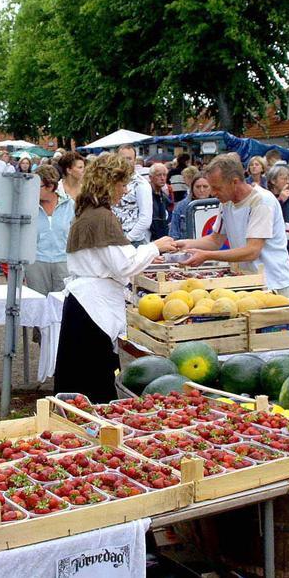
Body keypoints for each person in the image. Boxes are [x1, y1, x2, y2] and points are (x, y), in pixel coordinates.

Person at [54, 154, 176, 401]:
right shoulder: (101, 216)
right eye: (122, 184)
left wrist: (147, 255)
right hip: (92, 305)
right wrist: (155, 247)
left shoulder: (88, 212)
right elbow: (123, 264)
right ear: (108, 183)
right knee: (93, 378)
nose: (125, 189)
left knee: (80, 374)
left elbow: (110, 258)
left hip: (85, 301)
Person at [175, 156, 289, 298]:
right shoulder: (226, 202)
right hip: (248, 282)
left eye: (216, 188)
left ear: (234, 182)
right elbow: (215, 240)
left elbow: (252, 251)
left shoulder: (262, 201)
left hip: (274, 285)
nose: (213, 193)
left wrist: (206, 255)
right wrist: (183, 244)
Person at [25, 165, 73, 297]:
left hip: (64, 263)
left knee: (62, 307)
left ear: (50, 186)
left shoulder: (71, 205)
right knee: (38, 306)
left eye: (37, 186)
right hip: (36, 264)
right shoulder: (27, 206)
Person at [111, 145, 152, 245]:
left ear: (134, 161)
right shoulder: (111, 181)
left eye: (129, 159)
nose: (126, 162)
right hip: (113, 239)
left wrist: (128, 239)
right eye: (122, 158)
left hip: (133, 242)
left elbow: (145, 219)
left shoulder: (141, 184)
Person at [169, 173, 212, 240]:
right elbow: (174, 234)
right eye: (198, 187)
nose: (201, 190)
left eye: (205, 186)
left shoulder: (219, 205)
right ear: (192, 188)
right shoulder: (181, 206)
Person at [148, 163, 171, 240]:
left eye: (164, 175)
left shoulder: (164, 196)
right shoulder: (146, 195)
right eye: (159, 175)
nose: (162, 178)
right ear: (151, 177)